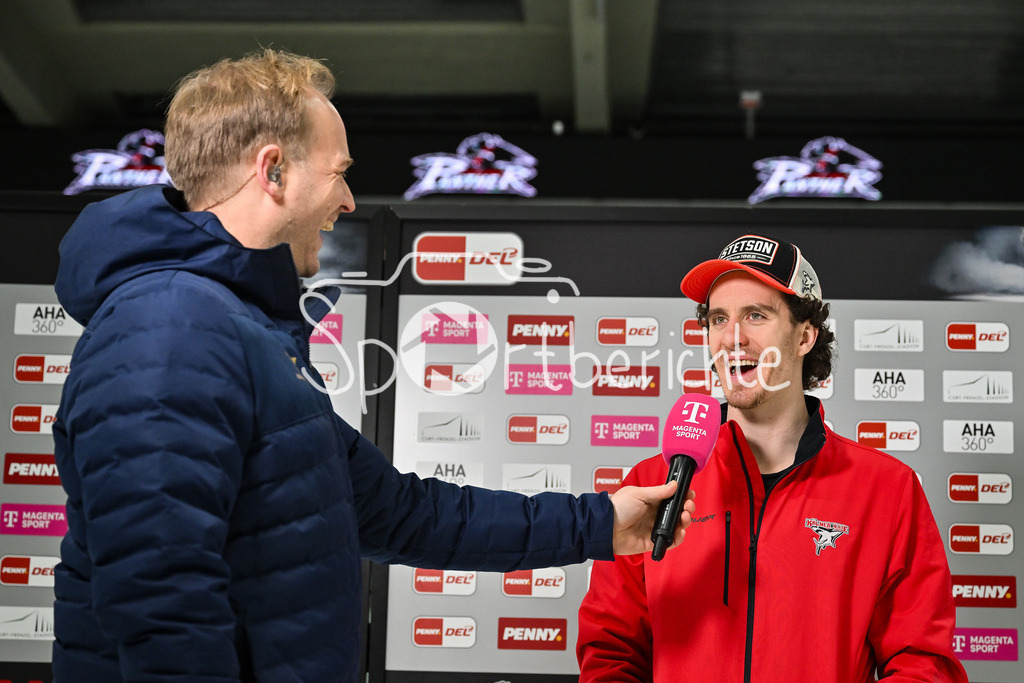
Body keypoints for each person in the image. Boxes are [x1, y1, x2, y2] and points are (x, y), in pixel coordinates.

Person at [51, 49, 694, 682]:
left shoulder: (240, 331)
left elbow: (402, 513)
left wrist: (601, 522)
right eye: (339, 173)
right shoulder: (170, 324)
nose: (350, 201)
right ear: (272, 171)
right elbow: (160, 599)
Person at [577, 234, 967, 682]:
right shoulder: (653, 483)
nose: (732, 338)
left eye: (756, 316)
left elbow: (923, 662)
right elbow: (610, 650)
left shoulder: (887, 489)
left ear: (804, 336)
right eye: (718, 319)